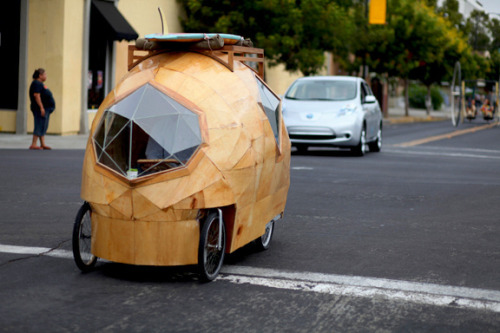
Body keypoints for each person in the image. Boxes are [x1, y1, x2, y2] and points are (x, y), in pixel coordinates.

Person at [29, 68, 55, 150]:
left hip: (45, 108)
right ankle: (33, 144)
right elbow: (37, 95)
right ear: (40, 75)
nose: (46, 76)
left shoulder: (40, 84)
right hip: (39, 108)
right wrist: (41, 107)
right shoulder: (36, 83)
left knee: (43, 125)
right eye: (45, 74)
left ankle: (42, 144)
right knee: (39, 124)